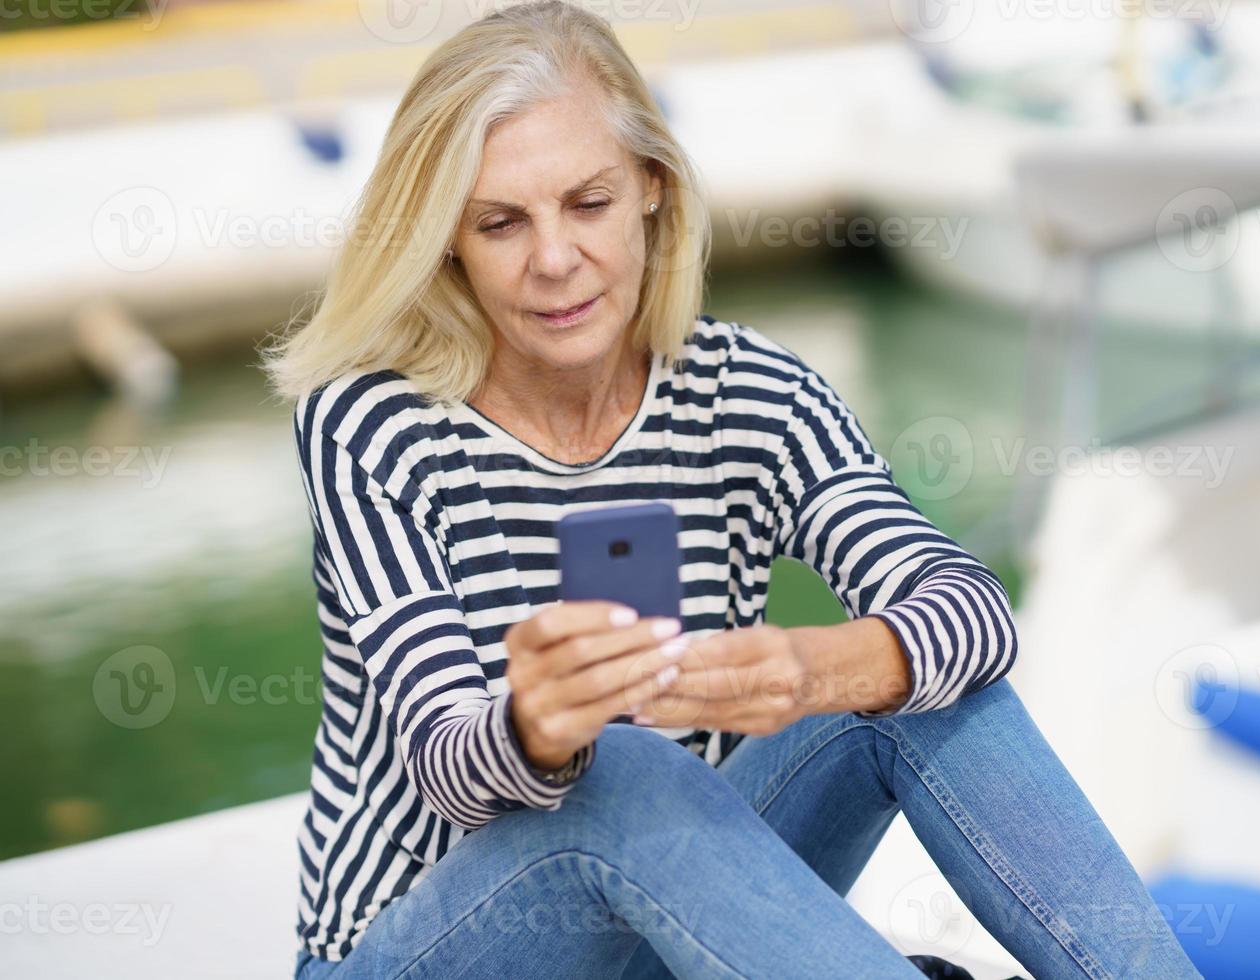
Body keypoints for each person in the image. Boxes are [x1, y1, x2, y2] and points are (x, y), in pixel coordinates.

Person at [261, 3, 1203, 977]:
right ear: (447, 236)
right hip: (429, 944)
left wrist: (819, 667)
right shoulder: (371, 421)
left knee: (914, 673)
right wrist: (533, 727)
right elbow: (450, 767)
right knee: (620, 764)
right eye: (501, 223)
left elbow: (975, 612)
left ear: (653, 189)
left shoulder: (748, 393)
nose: (552, 258)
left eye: (588, 204)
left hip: (663, 923)